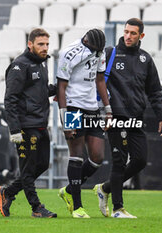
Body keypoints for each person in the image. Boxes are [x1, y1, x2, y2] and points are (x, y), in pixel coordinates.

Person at [93, 18, 162, 218]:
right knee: (119, 161)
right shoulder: (110, 54)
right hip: (114, 116)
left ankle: (105, 189)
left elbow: (155, 91)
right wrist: (102, 112)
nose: (128, 36)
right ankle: (118, 209)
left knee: (140, 160)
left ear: (141, 36)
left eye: (133, 33)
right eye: (126, 32)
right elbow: (95, 83)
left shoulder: (146, 59)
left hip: (135, 117)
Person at [0, 28, 57, 218]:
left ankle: (8, 192)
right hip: (25, 126)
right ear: (30, 44)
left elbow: (38, 91)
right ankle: (36, 207)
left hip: (40, 123)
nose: (45, 48)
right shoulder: (19, 66)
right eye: (41, 44)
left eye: (47, 44)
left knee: (42, 165)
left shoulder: (42, 64)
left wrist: (60, 87)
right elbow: (10, 99)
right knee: (28, 168)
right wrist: (14, 129)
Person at [57, 28, 112, 218]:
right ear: (87, 41)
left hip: (92, 108)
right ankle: (78, 207)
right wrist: (65, 120)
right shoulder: (69, 53)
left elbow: (100, 81)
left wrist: (108, 109)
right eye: (95, 49)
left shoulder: (100, 51)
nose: (98, 53)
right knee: (77, 155)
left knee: (97, 157)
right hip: (72, 107)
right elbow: (61, 87)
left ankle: (69, 190)